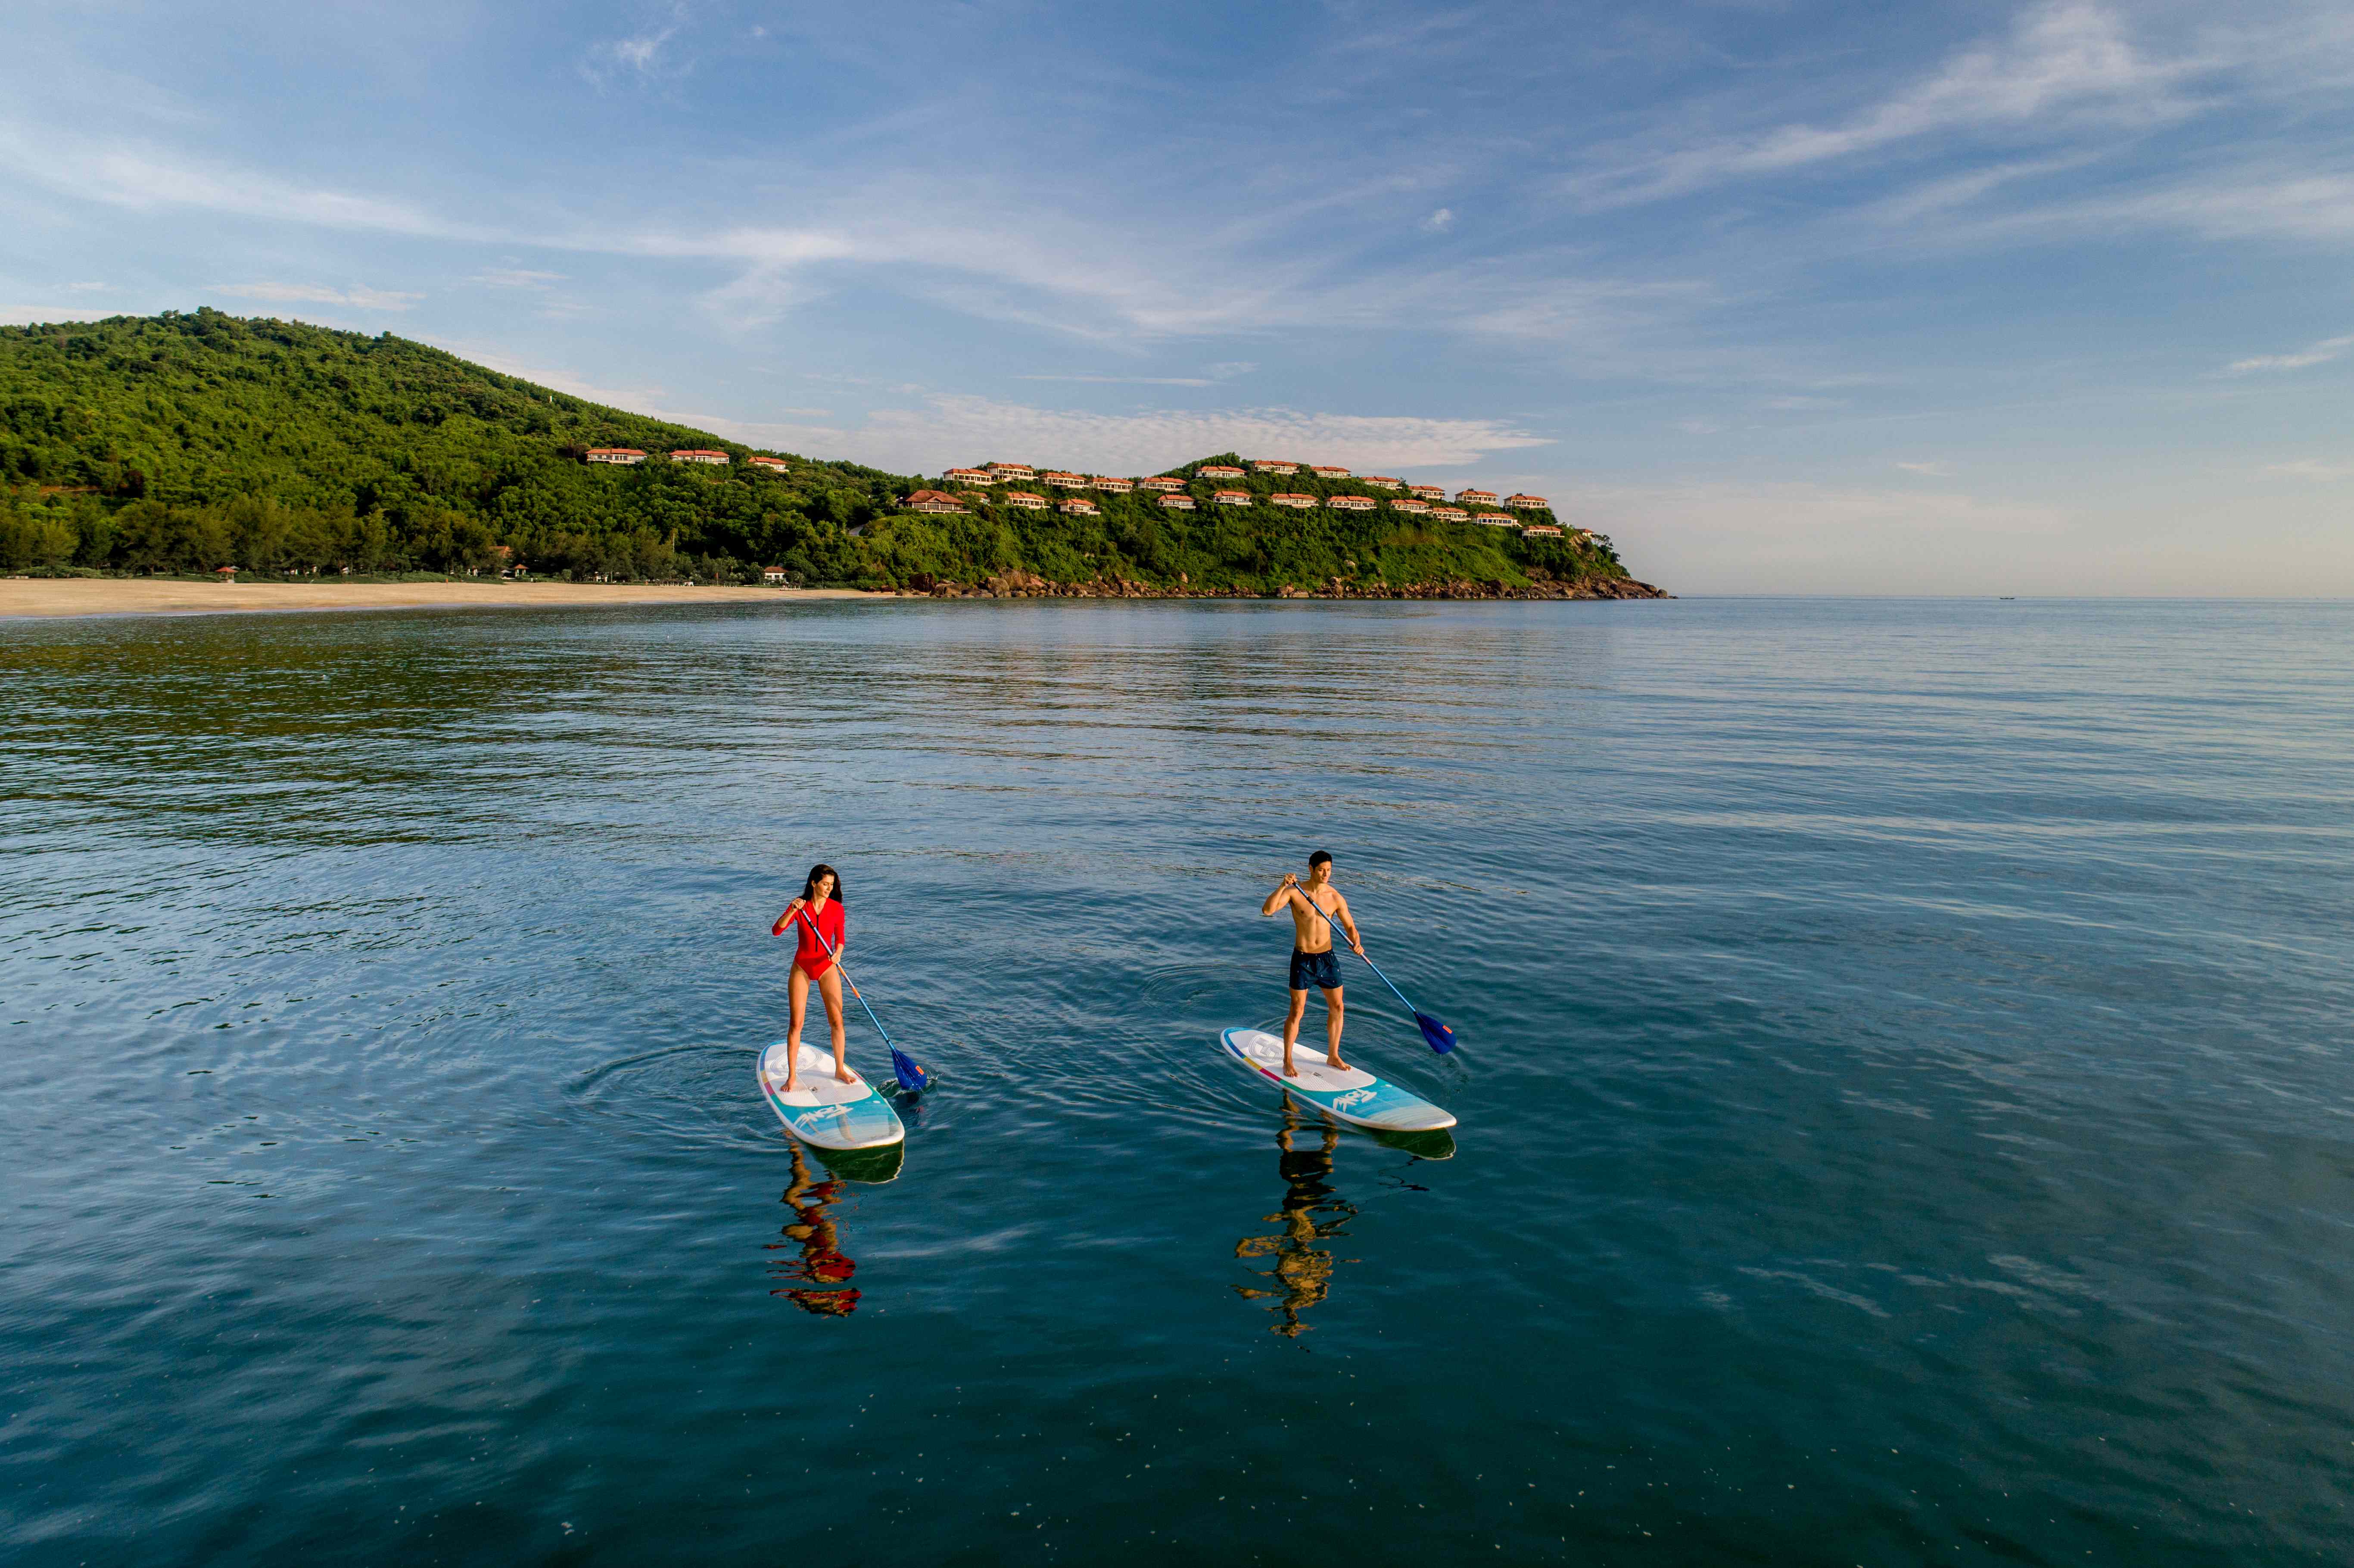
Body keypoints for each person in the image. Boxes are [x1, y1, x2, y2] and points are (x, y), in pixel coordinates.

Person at [1259, 850, 1364, 1078]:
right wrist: (1282, 886)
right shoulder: (1295, 892)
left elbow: (1350, 927)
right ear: (1310, 869)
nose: (1326, 874)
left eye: (1329, 870)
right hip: (1303, 960)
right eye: (1321, 870)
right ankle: (1287, 1059)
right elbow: (1267, 911)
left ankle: (1333, 1055)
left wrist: (1356, 942)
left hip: (1327, 959)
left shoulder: (1335, 897)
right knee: (1297, 1011)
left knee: (1338, 1007)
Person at [771, 863, 855, 1089]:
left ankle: (839, 1069)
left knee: (837, 1021)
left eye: (832, 885)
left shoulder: (837, 908)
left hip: (827, 966)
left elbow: (840, 938)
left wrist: (838, 952)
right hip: (802, 967)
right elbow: (776, 931)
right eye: (825, 884)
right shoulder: (801, 906)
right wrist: (792, 910)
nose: (829, 888)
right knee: (796, 1024)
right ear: (814, 884)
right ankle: (792, 1077)